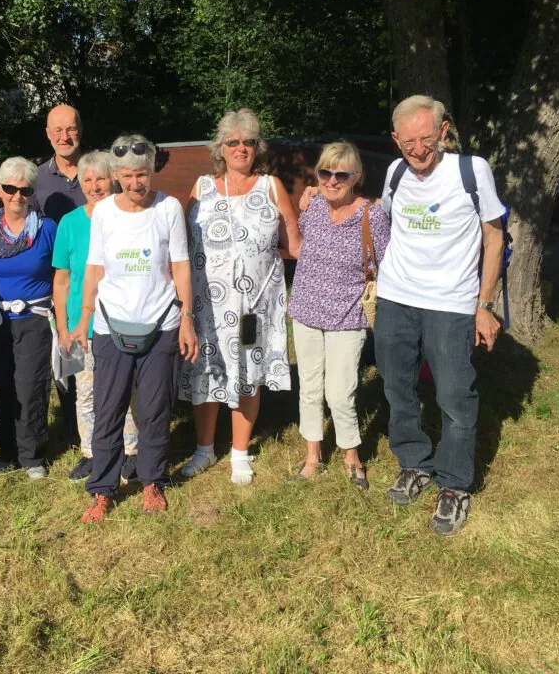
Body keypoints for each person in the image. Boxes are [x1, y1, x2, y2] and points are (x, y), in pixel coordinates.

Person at [303, 95, 505, 535]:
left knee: (454, 394)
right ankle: (414, 462)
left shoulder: (472, 171)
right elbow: (384, 219)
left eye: (426, 139)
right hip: (396, 300)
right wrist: (317, 191)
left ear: (444, 131)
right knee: (397, 387)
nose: (417, 150)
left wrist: (485, 304)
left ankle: (453, 484)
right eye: (408, 141)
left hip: (451, 303)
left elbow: (494, 235)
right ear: (395, 139)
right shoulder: (396, 173)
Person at [70, 135, 198, 522]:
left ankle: (151, 481)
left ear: (152, 171)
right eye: (126, 176)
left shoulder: (169, 208)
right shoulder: (104, 212)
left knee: (155, 409)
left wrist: (187, 318)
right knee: (108, 411)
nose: (135, 183)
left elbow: (180, 264)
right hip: (110, 324)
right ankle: (102, 489)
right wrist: (84, 317)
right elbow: (94, 267)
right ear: (116, 175)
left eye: (141, 175)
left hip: (161, 324)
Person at [179, 109, 301, 485]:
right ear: (221, 148)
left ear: (257, 147)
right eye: (232, 142)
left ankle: (239, 452)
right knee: (206, 371)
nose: (241, 148)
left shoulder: (272, 187)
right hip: (207, 306)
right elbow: (178, 247)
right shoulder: (201, 188)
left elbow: (294, 245)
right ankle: (204, 449)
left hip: (255, 307)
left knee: (249, 374)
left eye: (248, 141)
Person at [288, 141, 390, 491]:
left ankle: (351, 454)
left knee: (341, 390)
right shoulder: (313, 203)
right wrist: (311, 190)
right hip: (305, 309)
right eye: (324, 172)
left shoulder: (371, 215)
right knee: (310, 386)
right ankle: (313, 455)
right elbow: (301, 242)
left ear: (356, 177)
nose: (332, 180)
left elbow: (386, 263)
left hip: (348, 315)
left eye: (341, 174)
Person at [52, 151, 140, 482]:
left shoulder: (129, 217)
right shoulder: (70, 224)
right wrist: (63, 328)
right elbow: (61, 280)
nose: (95, 186)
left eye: (101, 178)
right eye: (87, 180)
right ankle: (90, 453)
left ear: (113, 179)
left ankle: (131, 451)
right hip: (79, 328)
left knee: (126, 391)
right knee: (84, 393)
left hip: (122, 324)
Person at [0, 157, 58, 479]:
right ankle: (7, 451)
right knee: (4, 385)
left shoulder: (47, 229)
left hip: (34, 317)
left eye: (25, 190)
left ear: (32, 192)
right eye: (10, 188)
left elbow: (61, 274)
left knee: (31, 385)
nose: (17, 196)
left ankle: (31, 455)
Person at [33, 104, 88, 447]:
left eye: (71, 129)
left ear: (80, 130)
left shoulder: (99, 171)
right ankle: (73, 424)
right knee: (65, 352)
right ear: (48, 134)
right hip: (58, 282)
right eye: (58, 131)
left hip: (99, 280)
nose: (65, 137)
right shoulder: (36, 179)